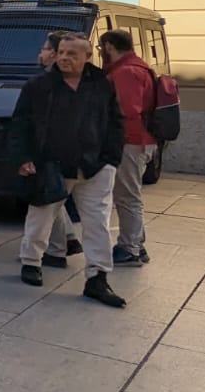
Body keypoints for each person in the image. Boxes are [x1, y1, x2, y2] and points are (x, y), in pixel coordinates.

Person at [13, 34, 126, 306]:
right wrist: (24, 157)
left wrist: (111, 160)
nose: (64, 57)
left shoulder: (101, 84)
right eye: (62, 52)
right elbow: (20, 123)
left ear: (87, 56)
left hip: (94, 167)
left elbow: (115, 122)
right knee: (41, 216)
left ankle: (98, 278)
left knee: (97, 223)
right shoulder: (39, 85)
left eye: (72, 54)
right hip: (51, 164)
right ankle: (31, 262)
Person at [100, 29, 157, 268]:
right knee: (129, 195)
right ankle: (136, 243)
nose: (101, 52)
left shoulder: (126, 72)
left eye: (101, 48)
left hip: (132, 142)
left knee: (127, 196)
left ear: (110, 46)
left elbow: (127, 110)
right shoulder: (138, 67)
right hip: (140, 140)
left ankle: (129, 248)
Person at [34, 31, 84, 267]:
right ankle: (69, 239)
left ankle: (53, 252)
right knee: (55, 199)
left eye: (44, 49)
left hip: (60, 156)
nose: (40, 53)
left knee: (47, 202)